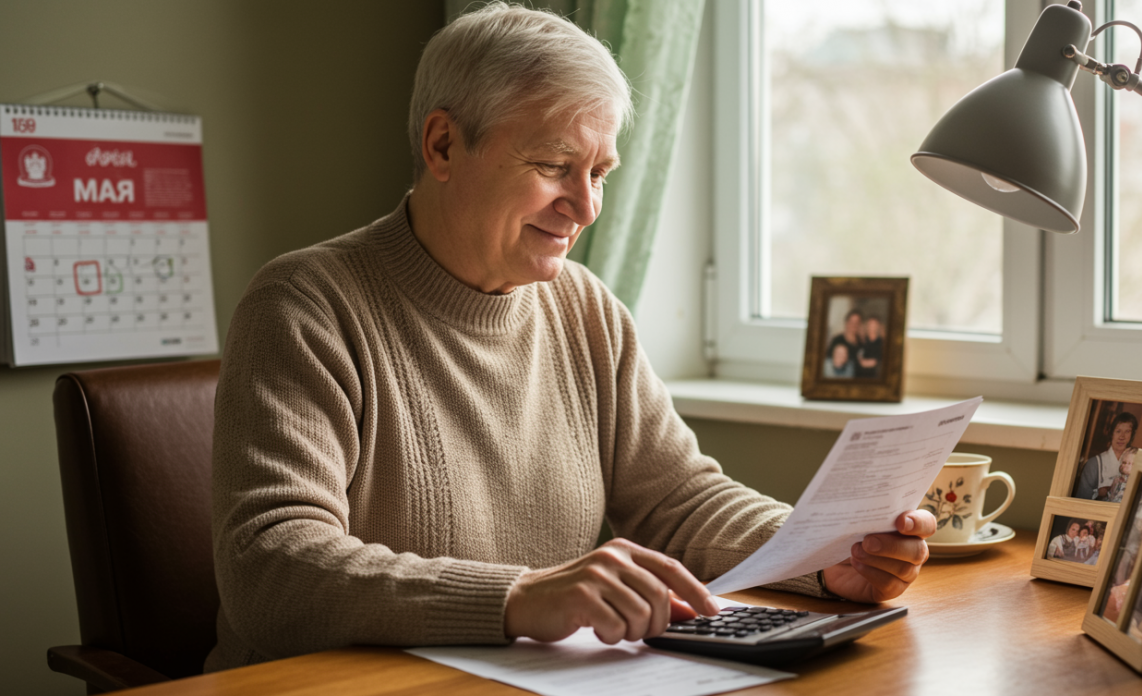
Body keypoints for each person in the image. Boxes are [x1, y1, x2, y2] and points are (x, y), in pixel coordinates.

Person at [204, 3, 936, 672]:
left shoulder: (584, 308)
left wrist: (822, 554)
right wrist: (518, 596)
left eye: (600, 173)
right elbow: (270, 567)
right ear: (443, 146)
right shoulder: (304, 306)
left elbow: (680, 500)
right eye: (554, 166)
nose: (584, 206)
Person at [1072, 411, 1139, 500]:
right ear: (1111, 433)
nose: (1122, 436)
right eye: (1118, 431)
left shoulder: (1138, 462)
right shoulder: (1094, 464)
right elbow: (1081, 500)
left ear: (1132, 435)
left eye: (1127, 431)